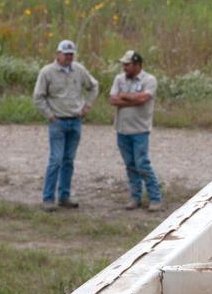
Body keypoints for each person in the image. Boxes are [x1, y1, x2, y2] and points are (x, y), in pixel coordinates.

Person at [32, 39, 98, 211]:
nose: (69, 57)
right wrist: (50, 116)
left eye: (71, 54)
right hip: (58, 121)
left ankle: (64, 196)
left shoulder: (79, 70)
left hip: (75, 121)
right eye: (65, 54)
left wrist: (87, 106)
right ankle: (48, 198)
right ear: (58, 54)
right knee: (55, 160)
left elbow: (93, 86)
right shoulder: (47, 72)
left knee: (69, 160)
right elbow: (38, 97)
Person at [109, 50, 162, 211]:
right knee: (130, 165)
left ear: (137, 65)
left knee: (142, 164)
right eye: (124, 64)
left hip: (140, 130)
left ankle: (155, 198)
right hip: (122, 130)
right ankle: (135, 197)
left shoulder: (149, 80)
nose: (124, 67)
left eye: (128, 64)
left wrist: (124, 96)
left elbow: (143, 99)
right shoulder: (119, 79)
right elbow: (113, 99)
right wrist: (132, 98)